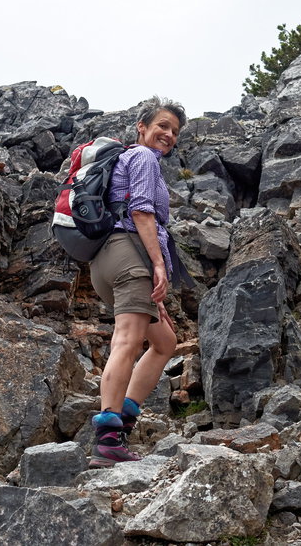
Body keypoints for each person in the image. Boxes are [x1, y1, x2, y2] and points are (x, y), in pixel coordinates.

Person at [87, 96, 187, 468]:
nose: (169, 134)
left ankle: (122, 424)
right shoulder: (143, 158)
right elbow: (142, 211)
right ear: (141, 128)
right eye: (162, 125)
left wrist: (155, 296)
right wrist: (159, 267)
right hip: (128, 253)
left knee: (164, 342)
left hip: (111, 260)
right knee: (127, 341)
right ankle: (107, 439)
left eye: (174, 131)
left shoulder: (135, 161)